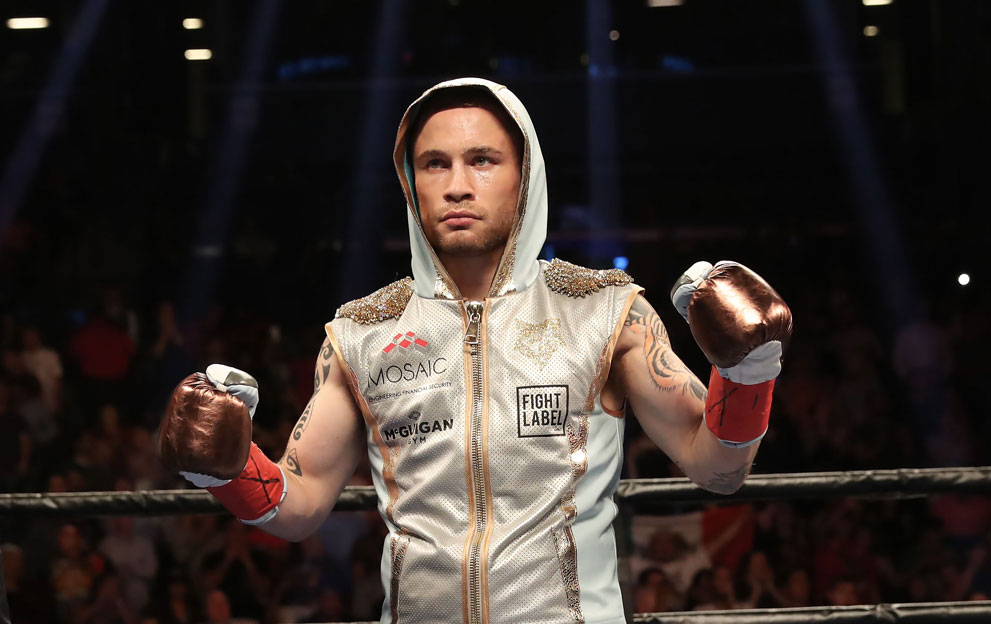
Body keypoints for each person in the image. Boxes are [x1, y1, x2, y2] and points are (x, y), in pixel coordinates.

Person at [158, 78, 792, 623]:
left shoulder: (605, 313)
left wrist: (749, 373)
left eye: (482, 160)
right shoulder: (360, 334)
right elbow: (299, 506)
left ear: (524, 176)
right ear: (411, 183)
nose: (457, 185)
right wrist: (230, 470)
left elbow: (719, 469)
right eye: (435, 164)